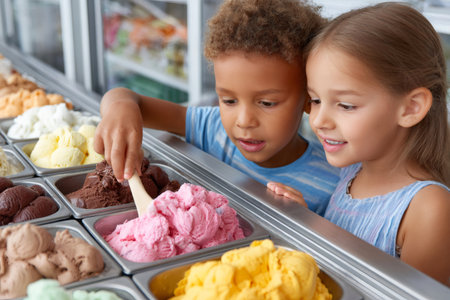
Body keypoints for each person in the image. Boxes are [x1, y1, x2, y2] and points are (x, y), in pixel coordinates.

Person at [94, 0, 340, 216]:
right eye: (229, 101)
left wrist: (307, 221)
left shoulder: (331, 182)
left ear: (309, 98)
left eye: (266, 103)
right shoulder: (211, 128)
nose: (244, 121)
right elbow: (128, 99)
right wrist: (119, 106)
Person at [307, 2, 450, 285]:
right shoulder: (354, 168)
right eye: (315, 100)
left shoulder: (429, 210)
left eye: (346, 105)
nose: (319, 120)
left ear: (410, 108)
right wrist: (306, 220)